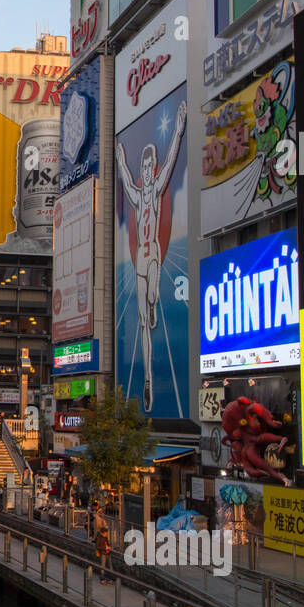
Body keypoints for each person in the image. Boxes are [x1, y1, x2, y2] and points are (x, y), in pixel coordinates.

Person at [116, 99, 187, 412]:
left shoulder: (157, 190)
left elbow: (172, 160)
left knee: (154, 298)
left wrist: (180, 128)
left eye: (149, 166)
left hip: (153, 253)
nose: (147, 171)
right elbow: (124, 175)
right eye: (144, 167)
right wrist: (119, 158)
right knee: (144, 321)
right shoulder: (135, 193)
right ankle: (146, 380)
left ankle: (155, 302)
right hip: (139, 262)